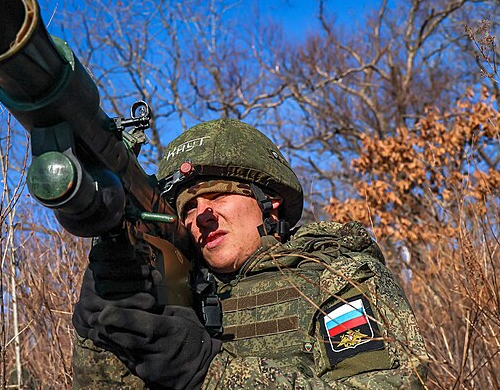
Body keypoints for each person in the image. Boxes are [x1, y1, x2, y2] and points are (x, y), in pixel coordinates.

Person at [72, 118, 428, 389]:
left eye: (218, 195)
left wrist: (208, 373)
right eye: (189, 207)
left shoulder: (336, 278)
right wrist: (100, 335)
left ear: (270, 202)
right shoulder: (178, 294)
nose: (203, 216)